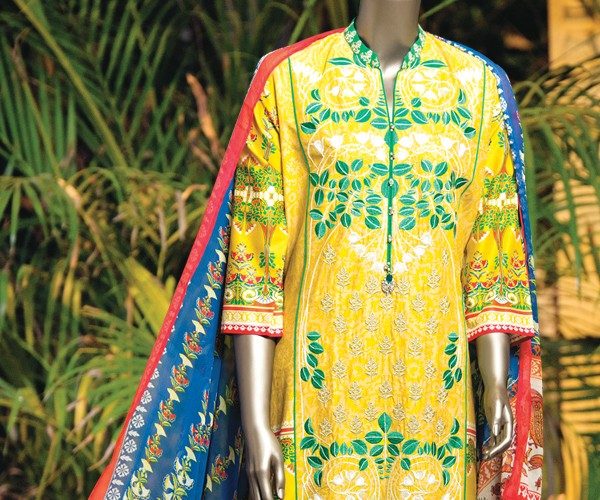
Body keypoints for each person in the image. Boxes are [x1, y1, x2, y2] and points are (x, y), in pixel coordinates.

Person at [90, 3, 543, 499]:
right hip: (316, 399)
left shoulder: (478, 88)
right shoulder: (291, 81)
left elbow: (492, 259)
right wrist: (257, 424)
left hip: (438, 403)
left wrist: (495, 383)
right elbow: (254, 270)